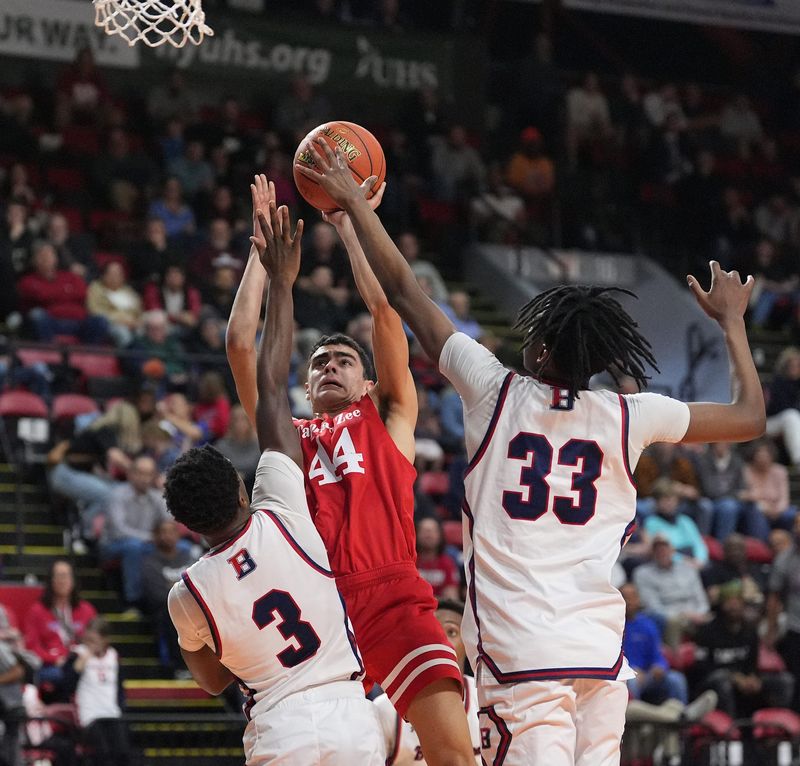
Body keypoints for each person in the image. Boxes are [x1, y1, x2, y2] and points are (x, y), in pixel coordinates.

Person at [298, 138, 766, 766]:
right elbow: (748, 416)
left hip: (522, 659)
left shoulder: (495, 390)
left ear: (542, 351)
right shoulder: (630, 415)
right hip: (600, 658)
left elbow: (406, 294)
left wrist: (357, 205)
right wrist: (732, 324)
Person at [231, 177, 474, 765]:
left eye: (344, 360)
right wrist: (262, 254)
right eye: (319, 363)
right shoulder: (286, 435)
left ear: (368, 382)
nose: (330, 367)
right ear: (306, 384)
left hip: (393, 597)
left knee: (452, 754)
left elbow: (385, 309)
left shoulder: (389, 416)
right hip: (321, 614)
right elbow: (242, 342)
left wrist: (347, 226)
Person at [164, 206, 384, 764]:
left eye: (342, 361)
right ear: (242, 490)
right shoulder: (282, 503)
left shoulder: (188, 593)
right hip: (348, 704)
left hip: (280, 724)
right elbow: (262, 373)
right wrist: (281, 278)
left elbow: (214, 679)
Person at [374, 599, 482, 765]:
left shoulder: (482, 698)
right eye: (434, 631)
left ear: (468, 643)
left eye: (451, 632)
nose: (441, 639)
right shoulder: (386, 708)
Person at [695, 583, 794, 718]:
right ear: (722, 604)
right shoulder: (707, 631)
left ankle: (779, 728)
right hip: (713, 683)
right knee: (722, 680)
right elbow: (702, 669)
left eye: (738, 602)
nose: (734, 606)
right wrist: (734, 678)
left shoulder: (749, 630)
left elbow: (752, 663)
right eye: (730, 602)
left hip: (744, 681)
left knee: (785, 680)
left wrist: (754, 679)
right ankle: (730, 734)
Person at [100, 455, 176, 607]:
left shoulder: (156, 497)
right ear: (131, 474)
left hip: (148, 543)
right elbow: (118, 531)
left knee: (184, 548)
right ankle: (133, 600)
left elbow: (170, 522)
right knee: (134, 547)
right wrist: (151, 538)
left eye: (149, 474)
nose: (144, 479)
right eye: (140, 473)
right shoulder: (117, 494)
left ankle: (173, 596)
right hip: (113, 544)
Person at [24, 560, 97, 701]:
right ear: (51, 580)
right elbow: (32, 647)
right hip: (51, 666)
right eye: (59, 576)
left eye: (66, 576)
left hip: (81, 661)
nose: (63, 580)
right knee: (61, 675)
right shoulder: (37, 611)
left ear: (73, 580)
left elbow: (97, 639)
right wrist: (54, 659)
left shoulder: (86, 610)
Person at [63, 618, 132, 766]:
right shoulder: (77, 654)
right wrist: (80, 664)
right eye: (87, 639)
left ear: (105, 640)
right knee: (103, 753)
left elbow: (119, 688)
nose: (89, 644)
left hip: (112, 712)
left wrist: (121, 708)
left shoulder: (114, 656)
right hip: (89, 715)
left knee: (123, 752)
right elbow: (66, 685)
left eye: (94, 640)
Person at [633, 536, 710, 650]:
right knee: (673, 622)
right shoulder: (643, 573)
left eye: (665, 548)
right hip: (668, 615)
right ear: (652, 552)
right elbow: (653, 606)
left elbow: (701, 599)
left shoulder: (688, 569)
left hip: (695, 614)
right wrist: (683, 614)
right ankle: (675, 658)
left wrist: (699, 613)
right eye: (658, 549)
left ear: (672, 550)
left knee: (717, 619)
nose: (662, 552)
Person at [140, 520, 195, 677]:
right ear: (156, 536)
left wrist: (173, 586)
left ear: (178, 535)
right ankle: (180, 666)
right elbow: (156, 594)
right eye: (163, 532)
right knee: (171, 613)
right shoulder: (149, 562)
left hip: (192, 606)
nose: (168, 536)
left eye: (171, 532)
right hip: (165, 610)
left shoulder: (187, 557)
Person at [620, 583, 688, 705]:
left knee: (676, 679)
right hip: (626, 675)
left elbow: (657, 655)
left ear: (639, 599)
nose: (629, 601)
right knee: (631, 681)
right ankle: (635, 718)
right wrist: (631, 670)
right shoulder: (613, 625)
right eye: (625, 597)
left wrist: (659, 666)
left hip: (648, 675)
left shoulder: (648, 625)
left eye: (633, 597)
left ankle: (682, 717)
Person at [766, 512, 800, 711]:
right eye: (796, 525)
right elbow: (774, 598)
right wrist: (771, 631)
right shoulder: (784, 559)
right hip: (795, 627)